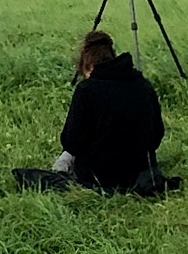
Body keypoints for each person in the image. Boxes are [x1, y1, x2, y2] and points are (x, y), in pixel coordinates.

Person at [54, 29, 166, 191]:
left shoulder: (86, 90)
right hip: (141, 172)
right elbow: (157, 134)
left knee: (64, 160)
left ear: (87, 65)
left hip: (99, 176)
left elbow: (72, 142)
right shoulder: (143, 84)